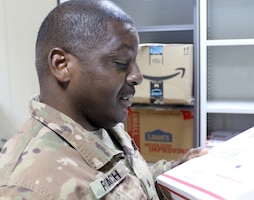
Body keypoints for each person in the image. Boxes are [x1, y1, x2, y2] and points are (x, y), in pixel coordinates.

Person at [0, 0, 207, 199]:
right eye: (120, 62)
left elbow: (127, 185)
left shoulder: (99, 123)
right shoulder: (24, 188)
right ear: (62, 65)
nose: (138, 76)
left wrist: (174, 172)